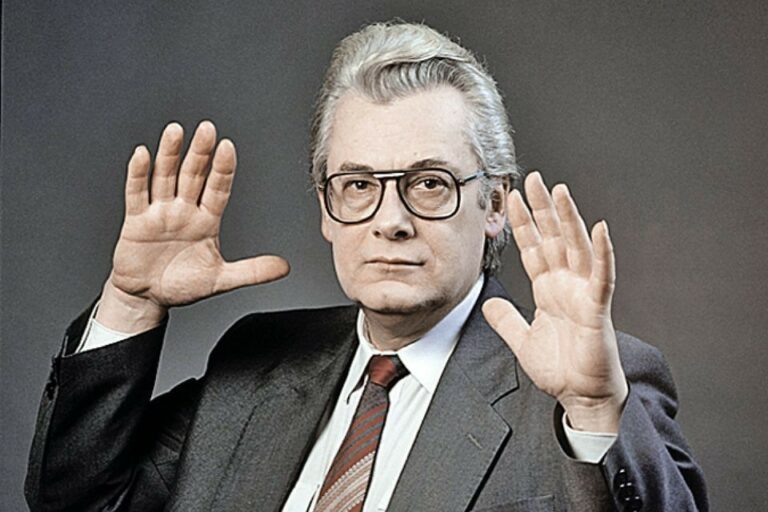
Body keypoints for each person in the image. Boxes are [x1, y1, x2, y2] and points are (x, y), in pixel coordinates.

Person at [25, 21, 707, 512]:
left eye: (429, 183)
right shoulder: (256, 361)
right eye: (357, 185)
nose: (390, 220)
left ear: (494, 204)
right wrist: (131, 302)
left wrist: (592, 412)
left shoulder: (590, 387)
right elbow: (77, 499)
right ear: (326, 210)